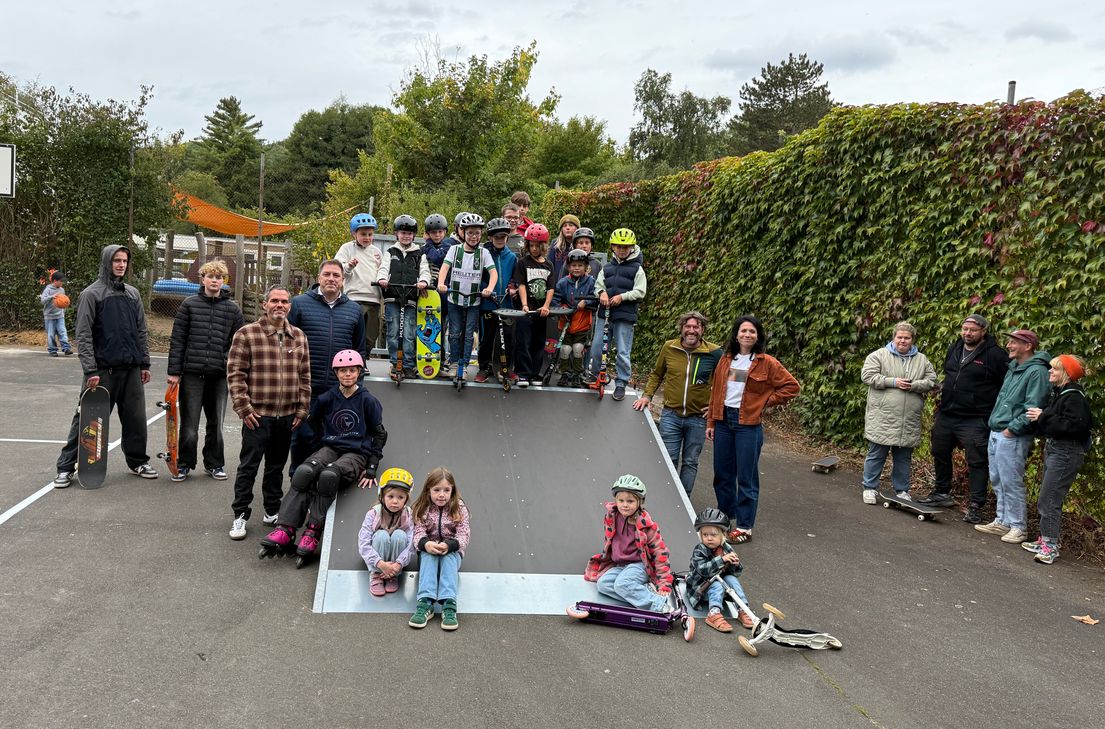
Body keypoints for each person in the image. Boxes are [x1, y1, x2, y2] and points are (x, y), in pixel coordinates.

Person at [259, 349, 385, 563]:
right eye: (343, 371)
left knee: (328, 475)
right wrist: (319, 447)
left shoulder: (367, 401)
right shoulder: (327, 398)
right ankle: (285, 528)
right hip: (331, 447)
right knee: (304, 471)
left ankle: (313, 531)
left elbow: (379, 433)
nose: (347, 375)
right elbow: (314, 422)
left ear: (359, 373)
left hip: (355, 452)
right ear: (336, 373)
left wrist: (372, 465)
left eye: (352, 370)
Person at [54, 245, 157, 487]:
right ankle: (66, 467)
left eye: (124, 261)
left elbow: (141, 331)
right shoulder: (92, 294)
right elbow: (84, 334)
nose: (121, 265)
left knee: (135, 420)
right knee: (87, 421)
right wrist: (90, 369)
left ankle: (137, 461)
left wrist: (144, 363)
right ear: (107, 262)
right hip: (102, 372)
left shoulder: (133, 294)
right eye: (116, 261)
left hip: (131, 370)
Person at [225, 285, 311, 540]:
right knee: (248, 466)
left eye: (285, 301)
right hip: (257, 416)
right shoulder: (247, 334)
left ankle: (272, 510)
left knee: (276, 467)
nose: (280, 305)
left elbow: (304, 376)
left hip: (286, 417)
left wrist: (302, 408)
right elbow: (235, 374)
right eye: (275, 300)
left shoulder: (299, 337)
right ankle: (240, 514)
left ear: (289, 306)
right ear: (265, 305)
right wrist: (243, 408)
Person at [706, 315, 800, 543]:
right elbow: (716, 391)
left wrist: (766, 402)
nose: (747, 335)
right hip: (723, 422)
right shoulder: (726, 359)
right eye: (743, 331)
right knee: (722, 474)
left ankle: (745, 527)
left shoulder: (766, 362)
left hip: (748, 425)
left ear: (758, 336)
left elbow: (792, 386)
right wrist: (711, 422)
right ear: (736, 334)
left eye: (752, 332)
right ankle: (725, 517)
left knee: (746, 477)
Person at [919, 314, 1008, 523]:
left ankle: (976, 505)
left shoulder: (995, 355)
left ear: (983, 331)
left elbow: (1006, 386)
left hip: (975, 418)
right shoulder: (955, 347)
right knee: (939, 451)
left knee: (977, 461)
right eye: (965, 329)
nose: (967, 333)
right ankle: (941, 493)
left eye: (973, 330)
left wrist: (991, 412)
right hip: (948, 413)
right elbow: (951, 375)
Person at [166, 259, 245, 482]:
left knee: (216, 424)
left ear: (223, 281)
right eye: (210, 276)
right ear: (202, 279)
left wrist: (229, 362)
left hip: (219, 376)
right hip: (192, 374)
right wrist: (174, 372)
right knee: (190, 425)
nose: (214, 280)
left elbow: (240, 342)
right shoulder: (188, 305)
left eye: (219, 277)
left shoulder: (232, 309)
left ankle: (214, 464)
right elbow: (178, 340)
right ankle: (184, 464)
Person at [287, 259, 365, 475]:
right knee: (302, 438)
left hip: (337, 391)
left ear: (342, 280)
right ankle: (297, 483)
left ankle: (320, 488)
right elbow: (287, 343)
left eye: (336, 276)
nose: (331, 279)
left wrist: (356, 387)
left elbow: (359, 352)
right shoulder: (300, 304)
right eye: (327, 274)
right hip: (306, 388)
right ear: (319, 278)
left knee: (330, 441)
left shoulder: (354, 310)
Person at [975, 329, 1051, 544]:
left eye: (1013, 342)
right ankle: (1003, 521)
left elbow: (1034, 406)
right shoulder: (1014, 367)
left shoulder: (1037, 371)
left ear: (1027, 346)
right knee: (997, 478)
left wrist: (1012, 429)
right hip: (997, 430)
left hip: (1013, 435)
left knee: (1011, 481)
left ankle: (1018, 526)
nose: (1008, 345)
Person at [633, 311, 722, 494]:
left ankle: (684, 501)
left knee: (690, 462)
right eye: (687, 326)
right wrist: (647, 395)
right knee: (668, 459)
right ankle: (669, 498)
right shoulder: (669, 347)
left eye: (696, 327)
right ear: (681, 329)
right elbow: (657, 374)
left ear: (702, 330)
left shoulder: (714, 353)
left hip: (698, 418)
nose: (691, 330)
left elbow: (725, 383)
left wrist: (716, 406)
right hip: (670, 415)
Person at [1022, 355, 1093, 564]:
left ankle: (1050, 546)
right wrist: (1043, 417)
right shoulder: (1063, 394)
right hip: (1057, 449)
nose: (1050, 372)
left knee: (1050, 499)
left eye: (1054, 369)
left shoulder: (1074, 397)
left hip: (1066, 452)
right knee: (1048, 497)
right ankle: (1045, 539)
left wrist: (1043, 417)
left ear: (1067, 374)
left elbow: (1076, 426)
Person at [859, 321, 938, 503]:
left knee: (903, 457)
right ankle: (869, 488)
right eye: (899, 337)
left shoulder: (922, 359)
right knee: (877, 453)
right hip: (883, 417)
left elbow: (931, 381)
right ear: (893, 338)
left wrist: (913, 385)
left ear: (912, 340)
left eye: (907, 338)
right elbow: (868, 376)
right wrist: (893, 382)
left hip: (908, 419)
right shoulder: (879, 355)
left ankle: (902, 490)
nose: (903, 341)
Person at [581, 475, 675, 614]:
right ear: (616, 500)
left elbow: (660, 554)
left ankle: (658, 604)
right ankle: (644, 594)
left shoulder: (647, 526)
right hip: (620, 566)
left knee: (622, 584)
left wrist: (664, 584)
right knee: (603, 585)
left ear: (640, 502)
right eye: (621, 500)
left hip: (639, 566)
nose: (625, 505)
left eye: (630, 501)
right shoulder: (612, 517)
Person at [586, 228, 647, 402]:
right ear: (613, 247)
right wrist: (601, 294)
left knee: (622, 351)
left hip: (625, 315)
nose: (622, 250)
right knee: (597, 347)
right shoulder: (607, 267)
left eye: (625, 247)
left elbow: (640, 291)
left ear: (632, 247)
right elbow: (598, 286)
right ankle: (596, 375)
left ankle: (621, 383)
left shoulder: (637, 269)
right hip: (604, 314)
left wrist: (623, 297)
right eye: (618, 246)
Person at [408, 467, 471, 631]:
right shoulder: (422, 507)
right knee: (428, 556)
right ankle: (425, 603)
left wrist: (450, 545)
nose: (441, 494)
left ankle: (449, 604)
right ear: (428, 490)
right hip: (429, 550)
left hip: (451, 551)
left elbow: (464, 534)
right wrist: (426, 544)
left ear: (453, 490)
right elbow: (418, 532)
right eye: (436, 490)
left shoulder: (459, 508)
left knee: (449, 557)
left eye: (446, 490)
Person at [437, 213, 497, 383]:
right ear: (463, 232)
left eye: (477, 233)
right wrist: (442, 283)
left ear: (481, 234)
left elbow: (493, 273)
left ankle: (464, 363)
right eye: (470, 233)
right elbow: (445, 268)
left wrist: (489, 288)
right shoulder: (454, 250)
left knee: (469, 335)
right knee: (454, 333)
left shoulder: (483, 253)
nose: (473, 236)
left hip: (473, 301)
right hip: (454, 299)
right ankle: (454, 363)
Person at [377, 214, 430, 379]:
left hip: (410, 299)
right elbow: (384, 268)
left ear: (414, 235)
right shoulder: (391, 252)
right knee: (393, 332)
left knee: (408, 332)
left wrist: (423, 281)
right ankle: (395, 362)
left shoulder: (419, 254)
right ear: (396, 234)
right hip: (393, 298)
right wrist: (382, 279)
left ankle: (407, 364)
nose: (406, 236)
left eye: (409, 233)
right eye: (402, 233)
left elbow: (425, 271)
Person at [685, 508, 754, 632]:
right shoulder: (699, 550)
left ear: (723, 535)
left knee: (732, 579)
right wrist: (722, 560)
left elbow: (737, 573)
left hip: (721, 586)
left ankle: (743, 608)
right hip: (700, 588)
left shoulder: (726, 548)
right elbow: (703, 571)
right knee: (716, 584)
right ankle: (713, 613)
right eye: (705, 535)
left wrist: (735, 565)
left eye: (713, 534)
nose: (709, 538)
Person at [357, 467, 416, 595]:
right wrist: (380, 564)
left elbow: (412, 543)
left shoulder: (408, 514)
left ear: (406, 499)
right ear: (382, 496)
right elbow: (363, 544)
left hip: (396, 564)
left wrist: (398, 564)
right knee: (381, 535)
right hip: (377, 561)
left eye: (400, 497)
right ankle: (376, 574)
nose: (395, 501)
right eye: (390, 496)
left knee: (400, 535)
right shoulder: (373, 514)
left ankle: (392, 575)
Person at [475, 217, 519, 383]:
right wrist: (485, 289)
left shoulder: (512, 257)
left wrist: (512, 286)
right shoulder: (484, 254)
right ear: (490, 237)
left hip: (506, 304)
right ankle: (484, 368)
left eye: (503, 237)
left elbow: (516, 277)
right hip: (487, 304)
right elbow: (478, 277)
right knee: (487, 338)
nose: (500, 240)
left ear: (507, 237)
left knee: (507, 337)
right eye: (496, 237)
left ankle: (506, 368)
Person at [512, 223, 555, 387]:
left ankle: (535, 373)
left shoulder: (548, 265)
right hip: (526, 309)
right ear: (527, 245)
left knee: (538, 342)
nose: (534, 248)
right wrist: (524, 305)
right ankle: (523, 373)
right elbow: (521, 284)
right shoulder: (523, 263)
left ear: (543, 246)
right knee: (523, 341)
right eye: (531, 245)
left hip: (541, 310)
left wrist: (546, 306)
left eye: (538, 245)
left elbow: (551, 287)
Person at [334, 213, 384, 357]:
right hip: (354, 297)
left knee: (371, 333)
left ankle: (364, 359)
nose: (367, 238)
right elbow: (337, 268)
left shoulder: (376, 252)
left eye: (370, 234)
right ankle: (353, 359)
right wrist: (349, 266)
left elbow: (382, 270)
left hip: (374, 299)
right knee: (354, 331)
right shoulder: (347, 248)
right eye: (363, 234)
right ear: (353, 233)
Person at [550, 249, 597, 387]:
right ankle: (565, 373)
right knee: (565, 349)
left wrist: (586, 302)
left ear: (586, 267)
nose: (577, 268)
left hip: (582, 322)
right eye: (574, 265)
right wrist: (561, 308)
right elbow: (555, 299)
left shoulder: (590, 282)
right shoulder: (563, 282)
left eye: (580, 265)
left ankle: (577, 373)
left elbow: (595, 298)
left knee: (577, 348)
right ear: (569, 267)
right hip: (566, 322)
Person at [421, 212, 453, 365]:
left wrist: (427, 246)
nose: (437, 235)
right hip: (428, 296)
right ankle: (427, 357)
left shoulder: (449, 246)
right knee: (429, 329)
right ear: (428, 233)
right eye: (433, 232)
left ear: (445, 232)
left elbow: (436, 257)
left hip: (444, 298)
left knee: (442, 329)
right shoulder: (424, 248)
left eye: (440, 231)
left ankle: (441, 360)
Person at [40, 270, 73, 357]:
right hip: (49, 316)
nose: (62, 283)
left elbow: (63, 303)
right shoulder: (48, 289)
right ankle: (52, 350)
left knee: (63, 332)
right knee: (51, 334)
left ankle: (66, 348)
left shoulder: (62, 290)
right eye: (61, 281)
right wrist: (51, 297)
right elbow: (42, 301)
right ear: (55, 281)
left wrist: (65, 306)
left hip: (60, 315)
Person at [549, 214, 580, 278]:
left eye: (571, 225)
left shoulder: (580, 245)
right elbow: (549, 266)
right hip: (557, 284)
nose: (567, 228)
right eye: (564, 226)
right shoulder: (555, 244)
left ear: (577, 228)